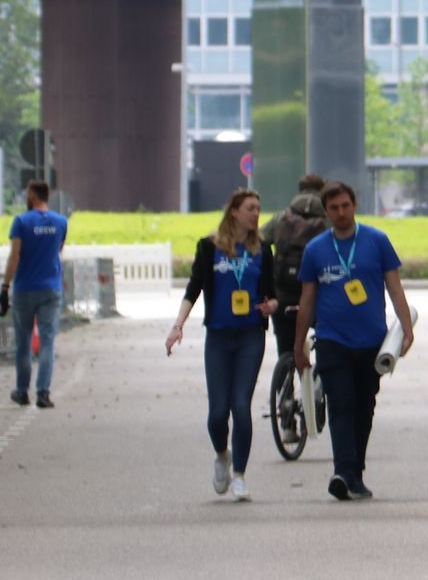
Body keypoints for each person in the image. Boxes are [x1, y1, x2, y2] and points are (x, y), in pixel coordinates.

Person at [294, 180, 413, 501]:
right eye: (334, 208)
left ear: (355, 205)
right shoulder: (315, 249)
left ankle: (354, 473)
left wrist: (406, 328)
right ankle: (343, 472)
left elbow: (395, 288)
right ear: (326, 212)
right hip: (332, 340)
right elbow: (307, 300)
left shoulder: (377, 241)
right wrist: (298, 343)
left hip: (371, 342)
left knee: (364, 407)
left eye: (345, 205)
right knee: (341, 404)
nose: (341, 212)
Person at [166, 189, 276, 501]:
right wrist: (178, 326)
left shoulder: (263, 249)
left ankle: (239, 475)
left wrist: (272, 306)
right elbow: (194, 288)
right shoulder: (209, 247)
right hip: (218, 336)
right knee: (217, 413)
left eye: (258, 208)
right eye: (250, 208)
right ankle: (222, 455)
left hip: (250, 336)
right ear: (234, 212)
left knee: (240, 405)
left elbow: (272, 292)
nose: (256, 214)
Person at [0, 180, 67, 408]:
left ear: (34, 196)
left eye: (28, 193)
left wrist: (5, 287)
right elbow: (58, 250)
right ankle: (43, 393)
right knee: (47, 342)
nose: (26, 197)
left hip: (25, 289)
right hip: (51, 289)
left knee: (23, 343)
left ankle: (22, 391)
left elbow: (14, 257)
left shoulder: (21, 222)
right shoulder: (61, 222)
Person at [264, 173, 327, 357]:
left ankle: (285, 368)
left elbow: (259, 240)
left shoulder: (281, 217)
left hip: (284, 292)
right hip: (318, 295)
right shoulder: (328, 219)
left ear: (300, 190)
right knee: (327, 342)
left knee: (286, 348)